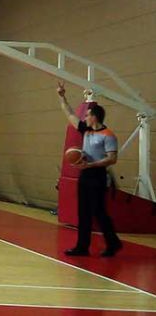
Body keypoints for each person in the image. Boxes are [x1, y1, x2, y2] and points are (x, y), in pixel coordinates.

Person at [57, 82, 122, 257]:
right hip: (85, 175)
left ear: (95, 117)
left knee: (99, 212)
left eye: (87, 115)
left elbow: (112, 159)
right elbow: (69, 114)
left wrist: (91, 165)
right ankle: (82, 247)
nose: (84, 117)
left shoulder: (108, 135)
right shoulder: (85, 130)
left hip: (97, 176)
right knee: (83, 212)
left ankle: (113, 243)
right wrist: (62, 97)